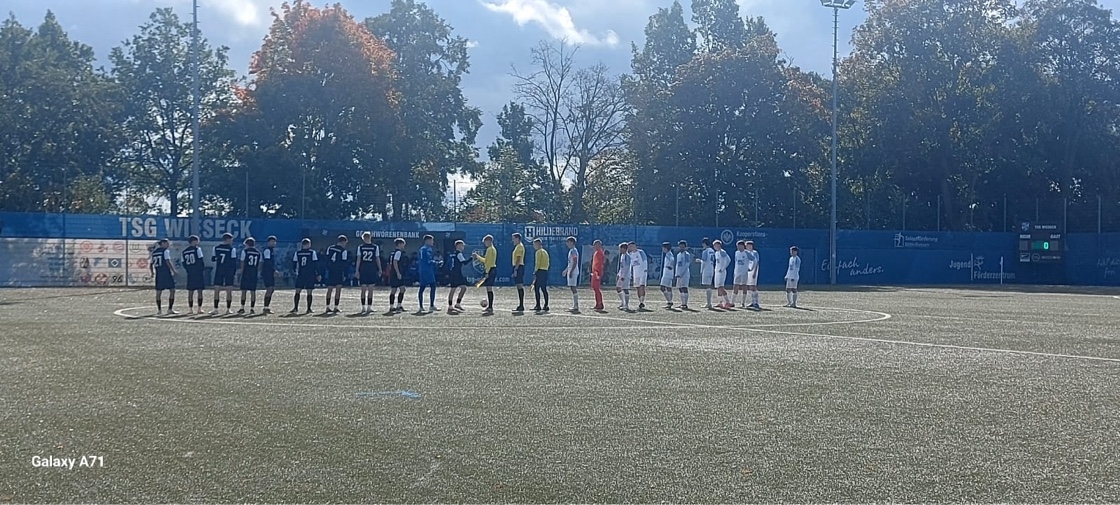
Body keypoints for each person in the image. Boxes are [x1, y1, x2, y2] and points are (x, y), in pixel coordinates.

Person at [210, 233, 237, 315]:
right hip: (228, 271)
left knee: (217, 289)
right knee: (229, 290)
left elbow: (213, 259)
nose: (232, 241)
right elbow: (233, 262)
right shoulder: (232, 249)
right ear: (228, 239)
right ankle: (228, 309)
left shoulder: (216, 248)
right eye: (231, 240)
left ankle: (215, 309)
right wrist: (233, 273)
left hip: (219, 270)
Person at [356, 232, 382, 314]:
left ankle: (363, 307)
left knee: (363, 289)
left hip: (363, 269)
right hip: (371, 269)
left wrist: (357, 270)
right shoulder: (375, 247)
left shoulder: (360, 247)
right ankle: (369, 307)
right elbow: (377, 259)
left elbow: (358, 259)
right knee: (370, 289)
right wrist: (380, 269)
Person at [291, 238, 319, 314]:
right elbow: (315, 264)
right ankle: (309, 308)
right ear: (308, 244)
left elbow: (294, 263)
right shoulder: (312, 252)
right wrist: (317, 274)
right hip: (310, 274)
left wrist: (294, 271)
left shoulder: (298, 253)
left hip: (301, 274)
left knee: (298, 291)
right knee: (309, 291)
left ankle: (295, 308)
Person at [471, 235, 498, 315]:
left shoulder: (490, 249)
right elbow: (487, 261)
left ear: (489, 241)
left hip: (490, 270)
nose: (485, 244)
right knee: (488, 288)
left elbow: (487, 262)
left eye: (485, 242)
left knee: (489, 288)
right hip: (491, 269)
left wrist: (487, 272)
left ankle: (490, 307)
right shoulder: (492, 249)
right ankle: (490, 306)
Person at [150, 238, 177, 315]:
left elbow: (151, 264)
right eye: (166, 243)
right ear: (162, 244)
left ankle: (159, 310)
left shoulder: (154, 252)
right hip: (166, 273)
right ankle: (170, 309)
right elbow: (167, 261)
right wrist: (173, 270)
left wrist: (152, 272)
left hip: (158, 274)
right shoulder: (165, 251)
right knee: (172, 290)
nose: (168, 245)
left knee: (159, 292)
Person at [181, 235, 206, 314]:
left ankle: (190, 309)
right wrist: (201, 269)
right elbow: (200, 260)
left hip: (190, 273)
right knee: (200, 291)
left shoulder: (184, 251)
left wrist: (188, 270)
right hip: (198, 272)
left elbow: (183, 263)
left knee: (190, 291)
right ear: (194, 241)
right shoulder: (197, 249)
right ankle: (199, 308)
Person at [325, 235, 349, 313]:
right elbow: (344, 264)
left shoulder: (330, 248)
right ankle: (336, 307)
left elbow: (327, 259)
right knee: (338, 289)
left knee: (329, 289)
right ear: (343, 242)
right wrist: (345, 274)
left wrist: (328, 268)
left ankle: (327, 306)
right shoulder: (343, 251)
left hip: (331, 271)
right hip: (338, 271)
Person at [238, 237, 262, 314]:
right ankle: (252, 308)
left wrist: (241, 272)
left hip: (246, 272)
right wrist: (257, 272)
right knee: (253, 291)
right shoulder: (258, 253)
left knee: (244, 291)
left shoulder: (245, 251)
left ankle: (242, 307)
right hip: (254, 273)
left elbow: (242, 262)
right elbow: (260, 264)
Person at [446, 240, 469, 314]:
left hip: (454, 273)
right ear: (458, 246)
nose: (463, 247)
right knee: (454, 289)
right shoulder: (459, 254)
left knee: (462, 288)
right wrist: (472, 258)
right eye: (462, 245)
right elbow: (464, 263)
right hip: (457, 274)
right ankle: (451, 305)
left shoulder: (453, 254)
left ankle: (457, 304)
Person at [418, 234, 439, 313]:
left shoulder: (421, 249)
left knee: (422, 287)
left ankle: (421, 306)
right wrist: (436, 263)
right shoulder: (427, 249)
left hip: (422, 270)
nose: (433, 242)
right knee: (433, 286)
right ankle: (431, 305)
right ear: (428, 240)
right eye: (432, 240)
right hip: (427, 270)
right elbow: (428, 261)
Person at [627, 242, 649, 310]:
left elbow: (645, 261)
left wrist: (645, 270)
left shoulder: (641, 252)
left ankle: (642, 301)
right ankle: (640, 301)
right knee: (637, 287)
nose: (631, 248)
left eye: (632, 246)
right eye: (630, 247)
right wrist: (630, 273)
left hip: (642, 272)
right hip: (636, 273)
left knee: (642, 286)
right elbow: (630, 265)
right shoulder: (631, 254)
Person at [561, 236, 580, 313]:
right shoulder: (571, 251)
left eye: (568, 242)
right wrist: (566, 270)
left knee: (573, 287)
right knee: (572, 287)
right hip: (571, 271)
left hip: (574, 272)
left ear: (572, 242)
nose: (567, 244)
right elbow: (570, 263)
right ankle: (575, 305)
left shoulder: (573, 251)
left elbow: (575, 261)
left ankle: (576, 305)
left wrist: (571, 271)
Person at [261, 236, 278, 314]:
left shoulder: (271, 250)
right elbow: (267, 262)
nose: (273, 243)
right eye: (272, 242)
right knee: (270, 288)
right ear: (268, 242)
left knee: (271, 289)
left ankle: (266, 307)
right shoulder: (267, 250)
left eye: (274, 242)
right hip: (267, 272)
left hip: (269, 272)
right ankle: (265, 307)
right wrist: (273, 271)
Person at [713, 240, 732, 309]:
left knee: (721, 287)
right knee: (718, 287)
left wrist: (723, 268)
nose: (714, 247)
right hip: (717, 271)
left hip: (722, 272)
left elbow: (728, 260)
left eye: (715, 245)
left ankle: (728, 302)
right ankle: (720, 302)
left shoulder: (722, 252)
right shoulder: (716, 253)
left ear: (719, 245)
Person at [532, 238, 550, 312]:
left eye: (534, 244)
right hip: (545, 271)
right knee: (544, 288)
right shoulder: (545, 252)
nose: (534, 246)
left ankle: (538, 305)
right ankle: (546, 305)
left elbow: (537, 263)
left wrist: (535, 271)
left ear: (538, 244)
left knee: (537, 288)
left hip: (540, 271)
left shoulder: (538, 252)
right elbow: (548, 262)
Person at [697, 238, 715, 309]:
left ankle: (709, 303)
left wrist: (701, 270)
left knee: (707, 286)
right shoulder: (712, 251)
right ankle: (709, 302)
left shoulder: (705, 251)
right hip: (711, 269)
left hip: (706, 270)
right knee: (709, 285)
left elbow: (704, 262)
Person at [389, 238, 407, 312]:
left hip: (393, 273)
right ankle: (395, 306)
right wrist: (398, 273)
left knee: (399, 289)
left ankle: (395, 306)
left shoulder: (393, 252)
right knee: (397, 289)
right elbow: (395, 262)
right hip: (396, 273)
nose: (404, 246)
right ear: (399, 244)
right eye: (403, 244)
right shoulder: (398, 252)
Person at [674, 241, 693, 310]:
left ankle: (685, 304)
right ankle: (682, 303)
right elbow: (677, 265)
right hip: (679, 274)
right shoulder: (678, 255)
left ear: (685, 247)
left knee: (684, 288)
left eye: (683, 247)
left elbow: (687, 264)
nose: (681, 248)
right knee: (680, 288)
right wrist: (676, 273)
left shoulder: (687, 254)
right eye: (680, 246)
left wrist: (681, 273)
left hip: (684, 274)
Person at [511, 232, 526, 313]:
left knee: (519, 285)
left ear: (517, 238)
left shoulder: (520, 246)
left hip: (519, 266)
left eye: (513, 238)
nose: (512, 240)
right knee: (518, 286)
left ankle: (521, 305)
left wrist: (516, 269)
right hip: (518, 266)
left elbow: (519, 258)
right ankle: (520, 305)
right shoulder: (517, 246)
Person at [615, 242, 632, 311]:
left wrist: (623, 276)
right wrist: (619, 274)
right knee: (618, 288)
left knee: (625, 289)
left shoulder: (627, 256)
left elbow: (627, 267)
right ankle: (623, 303)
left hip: (626, 276)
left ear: (624, 249)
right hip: (621, 275)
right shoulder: (622, 256)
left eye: (621, 249)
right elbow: (622, 267)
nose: (620, 250)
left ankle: (626, 305)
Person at [659, 242, 676, 308]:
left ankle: (669, 301)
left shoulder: (669, 254)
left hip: (667, 274)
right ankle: (670, 301)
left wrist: (670, 266)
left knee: (662, 287)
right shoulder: (668, 254)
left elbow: (672, 260)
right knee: (669, 288)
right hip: (668, 273)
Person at [733, 241, 749, 308]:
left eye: (739, 246)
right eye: (737, 246)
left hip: (744, 272)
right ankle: (732, 302)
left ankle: (743, 302)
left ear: (743, 246)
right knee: (735, 286)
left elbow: (753, 259)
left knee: (744, 286)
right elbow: (736, 262)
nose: (738, 248)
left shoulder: (747, 253)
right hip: (737, 272)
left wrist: (750, 268)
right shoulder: (736, 253)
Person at [745, 241, 761, 309]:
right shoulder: (746, 253)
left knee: (753, 286)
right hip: (748, 271)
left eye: (749, 245)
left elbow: (756, 263)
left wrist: (754, 272)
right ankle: (753, 301)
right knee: (750, 287)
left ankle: (756, 302)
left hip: (753, 271)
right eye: (746, 246)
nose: (747, 247)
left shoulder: (755, 253)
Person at [590, 240, 605, 311]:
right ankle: (597, 303)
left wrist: (597, 273)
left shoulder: (599, 253)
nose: (594, 246)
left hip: (597, 272)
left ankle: (600, 303)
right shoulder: (597, 252)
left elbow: (599, 264)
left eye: (595, 245)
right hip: (595, 272)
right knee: (595, 288)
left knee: (596, 288)